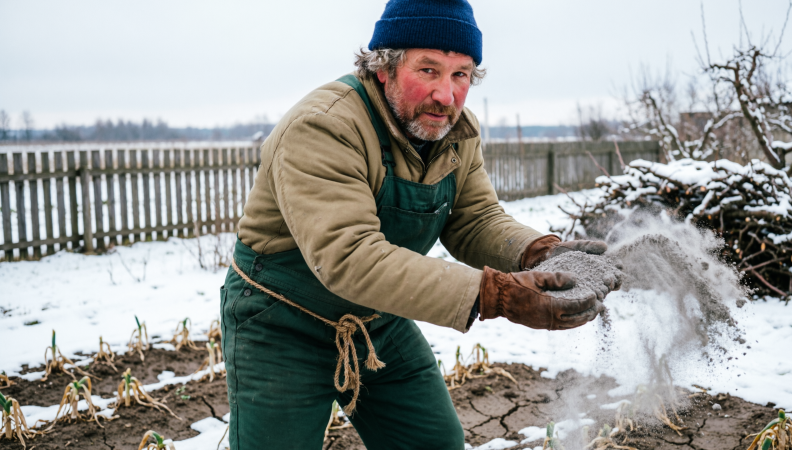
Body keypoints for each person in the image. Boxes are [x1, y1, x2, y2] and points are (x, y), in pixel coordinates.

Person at [220, 0, 620, 448]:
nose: (446, 96)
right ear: (384, 68)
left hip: (377, 321)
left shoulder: (455, 131)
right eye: (428, 70)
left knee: (434, 443)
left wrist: (539, 252)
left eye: (461, 75)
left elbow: (474, 219)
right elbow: (350, 257)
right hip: (281, 323)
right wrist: (497, 294)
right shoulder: (325, 126)